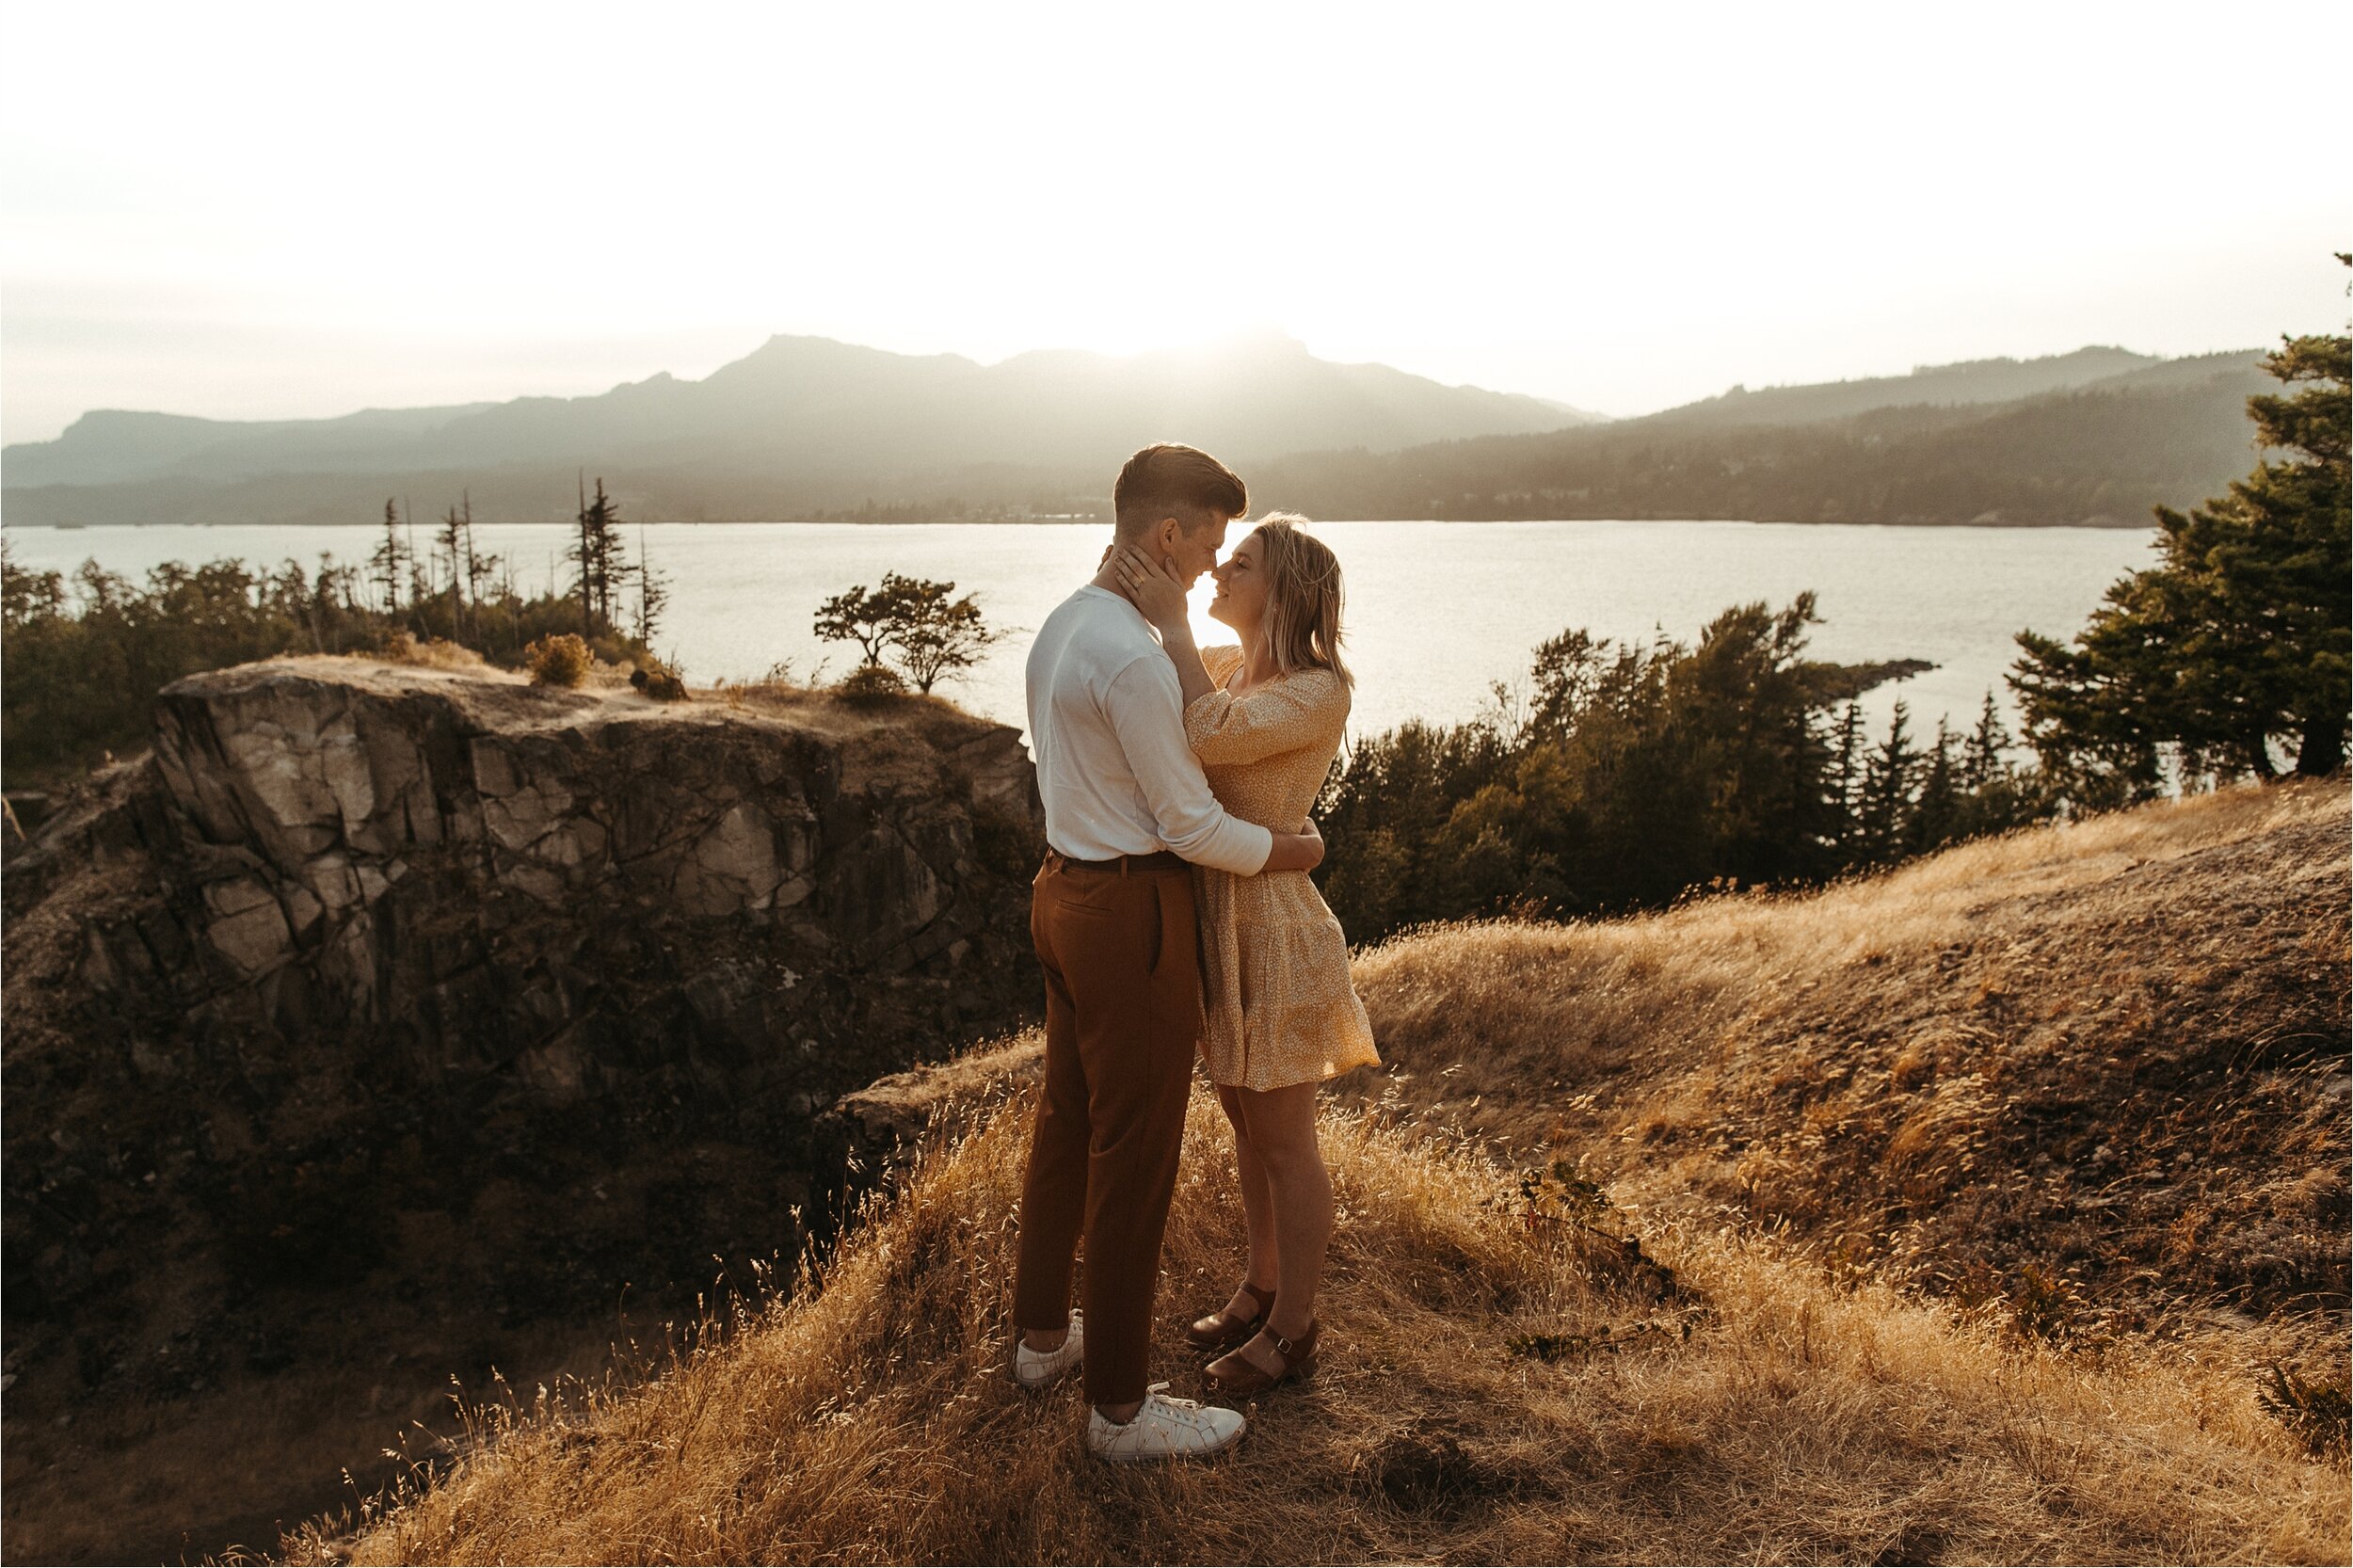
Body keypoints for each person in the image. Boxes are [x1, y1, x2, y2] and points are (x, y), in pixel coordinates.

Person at [1009, 444, 1328, 1463]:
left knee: (1066, 1126)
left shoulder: (1067, 623)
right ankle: (1117, 1412)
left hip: (1060, 890)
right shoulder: (1140, 657)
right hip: (1131, 915)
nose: (1210, 561)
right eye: (1208, 543)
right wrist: (1292, 848)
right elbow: (1191, 827)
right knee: (1133, 1156)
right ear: (1167, 534)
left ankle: (1040, 1342)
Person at [1111, 513, 1378, 1398]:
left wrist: (1177, 624)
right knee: (1244, 1125)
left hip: (1276, 932)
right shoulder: (1228, 668)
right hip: (1217, 921)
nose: (1220, 570)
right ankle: (1259, 1285)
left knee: (1284, 1140)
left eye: (1242, 562)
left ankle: (1296, 1330)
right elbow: (1179, 722)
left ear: (1287, 589)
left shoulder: (1319, 689)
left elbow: (1212, 736)